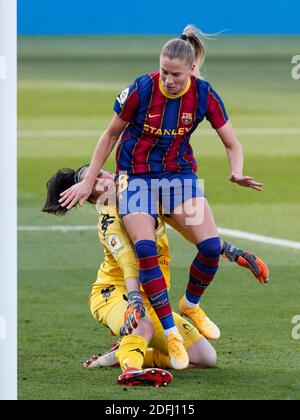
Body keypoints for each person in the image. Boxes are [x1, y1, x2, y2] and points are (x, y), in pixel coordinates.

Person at [58, 25, 263, 371]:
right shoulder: (141, 89)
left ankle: (191, 305)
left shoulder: (204, 95)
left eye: (175, 74)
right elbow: (109, 136)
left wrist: (236, 170)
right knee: (146, 248)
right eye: (163, 71)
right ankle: (168, 333)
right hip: (136, 178)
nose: (167, 79)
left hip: (179, 177)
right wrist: (89, 179)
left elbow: (232, 141)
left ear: (191, 70)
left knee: (210, 247)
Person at [43, 166, 268, 386]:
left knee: (205, 358)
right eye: (94, 183)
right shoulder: (109, 221)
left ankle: (129, 351)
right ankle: (131, 370)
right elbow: (128, 262)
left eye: (101, 173)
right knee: (143, 325)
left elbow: (189, 228)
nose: (104, 178)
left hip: (151, 298)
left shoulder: (145, 198)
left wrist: (230, 250)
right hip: (114, 294)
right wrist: (134, 298)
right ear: (92, 199)